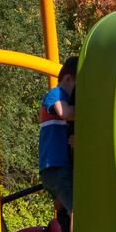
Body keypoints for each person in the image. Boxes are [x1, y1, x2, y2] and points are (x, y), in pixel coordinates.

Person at [38, 56, 78, 216]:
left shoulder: (63, 96)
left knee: (64, 211)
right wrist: (92, 109)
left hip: (57, 166)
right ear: (68, 79)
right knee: (77, 211)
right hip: (55, 166)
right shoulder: (56, 93)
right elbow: (65, 113)